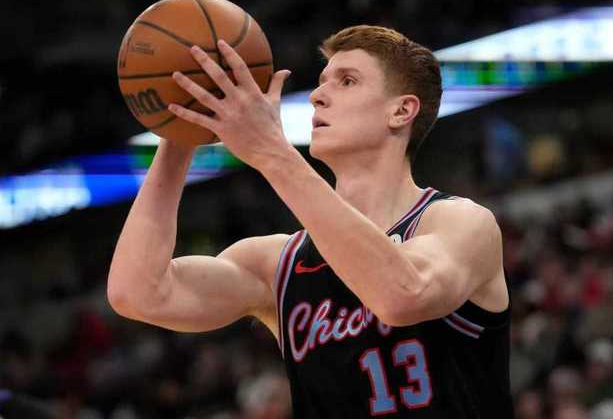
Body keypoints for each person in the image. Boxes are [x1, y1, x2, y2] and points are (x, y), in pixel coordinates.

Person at [107, 25, 513, 418]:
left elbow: (402, 295)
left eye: (347, 81)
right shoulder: (276, 264)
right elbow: (136, 293)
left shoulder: (459, 223)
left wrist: (272, 152)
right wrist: (179, 134)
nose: (318, 95)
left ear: (401, 110)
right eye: (322, 82)